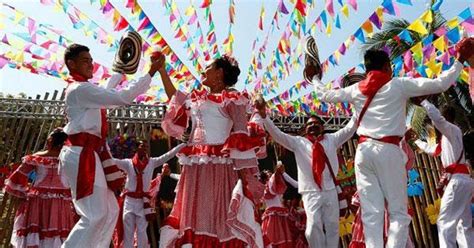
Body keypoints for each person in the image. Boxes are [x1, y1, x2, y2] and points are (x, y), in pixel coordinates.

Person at [308, 45, 470, 247]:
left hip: (364, 152)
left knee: (371, 215)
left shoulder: (355, 90)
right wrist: (460, 59)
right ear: (386, 67)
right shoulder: (398, 85)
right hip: (388, 152)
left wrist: (314, 78)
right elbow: (441, 84)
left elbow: (325, 95)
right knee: (398, 214)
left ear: (367, 70)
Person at [58, 43, 164, 247]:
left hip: (90, 153)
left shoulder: (84, 89)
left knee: (110, 211)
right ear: (71, 64)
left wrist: (120, 70)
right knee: (94, 215)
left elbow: (105, 92)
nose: (90, 64)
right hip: (81, 154)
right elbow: (120, 97)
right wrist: (151, 72)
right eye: (84, 61)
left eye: (91, 60)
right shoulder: (80, 89)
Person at [159, 55, 265, 247]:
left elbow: (241, 138)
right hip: (195, 167)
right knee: (194, 215)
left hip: (220, 167)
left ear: (219, 73)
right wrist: (161, 70)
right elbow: (174, 96)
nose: (202, 71)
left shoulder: (233, 100)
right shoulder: (197, 98)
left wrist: (245, 179)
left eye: (207, 67)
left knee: (218, 216)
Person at [254, 98, 357, 248]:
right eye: (309, 124)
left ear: (323, 127)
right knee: (313, 226)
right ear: (305, 129)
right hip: (311, 191)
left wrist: (359, 105)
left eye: (316, 124)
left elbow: (349, 129)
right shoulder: (298, 142)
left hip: (330, 189)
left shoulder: (332, 139)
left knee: (332, 226)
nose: (313, 126)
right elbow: (277, 134)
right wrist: (265, 117)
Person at [412, 101, 473, 248]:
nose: (434, 122)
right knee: (462, 224)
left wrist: (424, 102)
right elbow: (432, 150)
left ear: (444, 117)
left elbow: (438, 120)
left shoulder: (452, 130)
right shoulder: (448, 137)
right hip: (463, 181)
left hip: (457, 182)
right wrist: (416, 141)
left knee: (444, 222)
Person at [5, 128, 76, 248]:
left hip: (38, 198)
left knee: (38, 229)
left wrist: (24, 191)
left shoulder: (37, 157)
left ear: (50, 141)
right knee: (59, 230)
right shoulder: (70, 158)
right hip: (61, 200)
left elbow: (17, 176)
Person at [113, 140, 185, 248]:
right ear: (136, 148)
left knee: (142, 232)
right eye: (142, 145)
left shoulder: (152, 162)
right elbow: (113, 161)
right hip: (129, 202)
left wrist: (183, 144)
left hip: (143, 203)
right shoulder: (128, 163)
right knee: (128, 233)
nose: (145, 148)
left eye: (146, 146)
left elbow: (168, 155)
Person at [260, 162, 296, 248]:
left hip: (279, 216)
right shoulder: (267, 189)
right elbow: (273, 182)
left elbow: (275, 181)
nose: (270, 175)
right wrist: (277, 172)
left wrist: (280, 172)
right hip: (273, 217)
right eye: (268, 174)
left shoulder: (273, 187)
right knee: (273, 240)